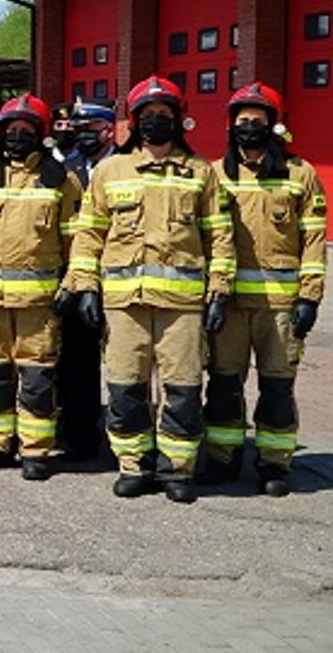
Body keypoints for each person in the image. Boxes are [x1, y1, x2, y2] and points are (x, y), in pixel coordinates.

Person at [66, 76, 233, 502]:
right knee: (125, 387)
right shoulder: (109, 171)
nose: (155, 122)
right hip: (124, 306)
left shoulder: (201, 173)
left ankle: (176, 469)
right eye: (148, 116)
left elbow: (220, 237)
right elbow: (89, 235)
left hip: (183, 307)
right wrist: (86, 286)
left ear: (178, 120)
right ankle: (134, 465)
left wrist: (220, 291)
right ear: (135, 122)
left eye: (164, 115)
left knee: (182, 389)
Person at [0, 96, 82, 480]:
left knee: (38, 379)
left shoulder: (62, 180)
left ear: (40, 135)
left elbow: (77, 240)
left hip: (40, 304)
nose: (17, 138)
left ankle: (36, 451)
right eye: (12, 131)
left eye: (26, 131)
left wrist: (72, 284)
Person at [203, 82, 323, 496]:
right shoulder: (214, 175)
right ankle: (222, 458)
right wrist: (211, 296)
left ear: (273, 125)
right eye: (242, 122)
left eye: (257, 121)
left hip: (280, 307)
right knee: (223, 385)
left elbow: (313, 242)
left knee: (276, 388)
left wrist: (310, 296)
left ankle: (274, 463)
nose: (249, 128)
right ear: (230, 128)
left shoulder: (300, 175)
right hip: (229, 305)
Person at [56, 98, 118, 460]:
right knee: (77, 361)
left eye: (88, 130)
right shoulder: (68, 170)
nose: (81, 137)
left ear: (108, 131)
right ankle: (80, 434)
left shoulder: (128, 166)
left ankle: (133, 438)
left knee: (129, 365)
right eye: (77, 131)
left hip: (122, 278)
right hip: (78, 279)